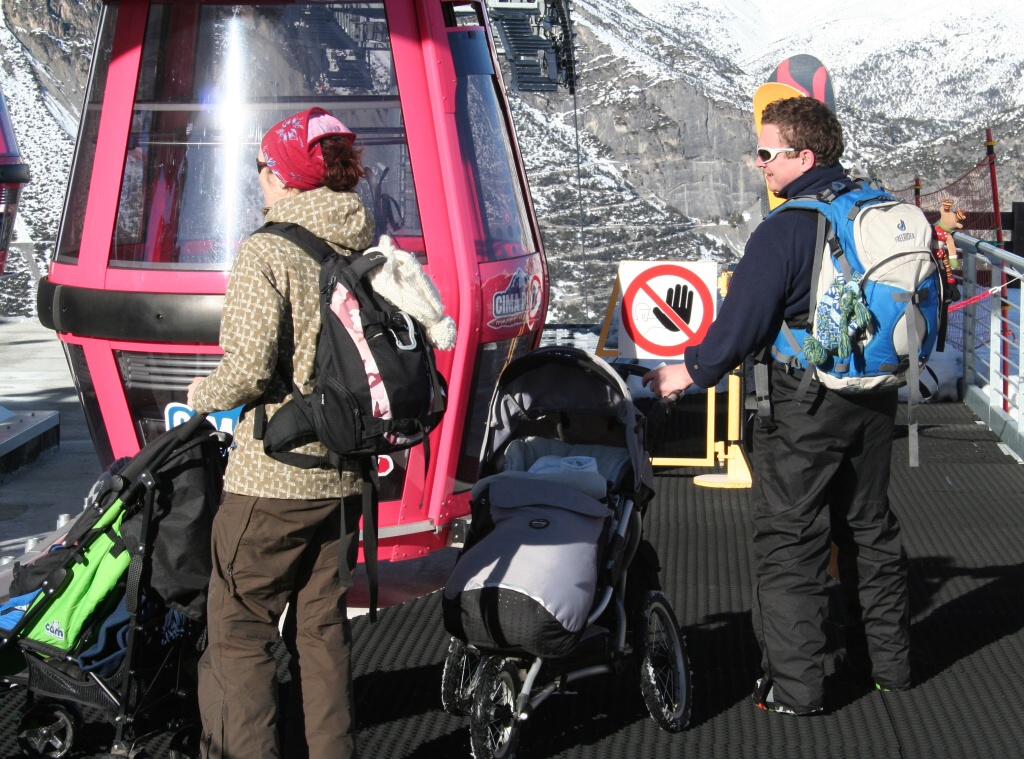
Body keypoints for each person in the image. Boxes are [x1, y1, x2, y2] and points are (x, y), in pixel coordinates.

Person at [643, 96, 911, 714]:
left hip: (806, 401)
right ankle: (887, 668)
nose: (758, 164)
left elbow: (740, 326)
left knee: (790, 538)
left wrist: (687, 373)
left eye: (766, 153)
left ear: (803, 156)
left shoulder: (787, 227)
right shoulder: (871, 207)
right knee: (868, 526)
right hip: (874, 394)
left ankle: (797, 688)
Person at [187, 107, 374, 758]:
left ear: (287, 177)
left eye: (262, 168)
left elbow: (247, 367)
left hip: (272, 476)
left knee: (239, 632)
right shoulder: (361, 242)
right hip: (343, 473)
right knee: (322, 632)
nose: (258, 181)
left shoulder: (266, 249)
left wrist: (198, 395)